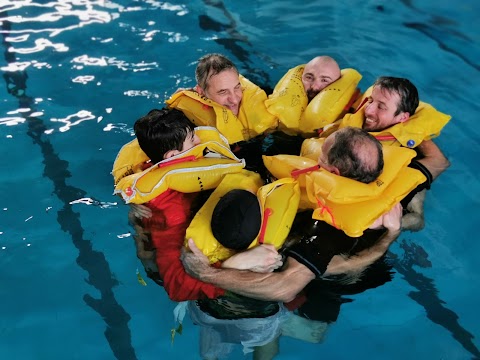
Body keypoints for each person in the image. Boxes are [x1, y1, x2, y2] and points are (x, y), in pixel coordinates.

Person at [181, 127, 403, 303]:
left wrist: (206, 274)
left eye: (321, 156)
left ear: (333, 173)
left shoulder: (327, 226)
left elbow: (285, 288)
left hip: (315, 288)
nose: (315, 157)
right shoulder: (370, 189)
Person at [125, 108, 281, 301]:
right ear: (172, 155)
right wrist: (234, 264)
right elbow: (177, 287)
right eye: (192, 140)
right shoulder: (172, 210)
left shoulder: (152, 169)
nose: (200, 141)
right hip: (198, 278)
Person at [335, 76, 451, 229]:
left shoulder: (408, 151)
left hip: (390, 187)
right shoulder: (356, 119)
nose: (368, 111)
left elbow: (440, 163)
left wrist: (385, 225)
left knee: (413, 210)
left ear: (402, 117)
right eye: (370, 101)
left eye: (381, 107)